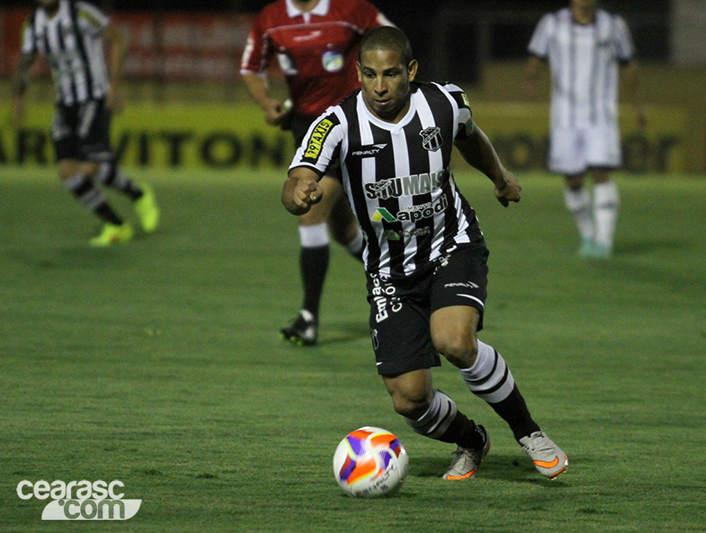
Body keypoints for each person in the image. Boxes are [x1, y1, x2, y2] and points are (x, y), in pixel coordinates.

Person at [283, 26, 568, 480]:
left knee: (454, 341)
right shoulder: (336, 124)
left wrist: (499, 176)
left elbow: (471, 137)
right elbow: (297, 175)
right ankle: (472, 441)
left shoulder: (444, 102)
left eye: (391, 74)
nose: (380, 87)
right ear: (357, 73)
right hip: (389, 271)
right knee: (409, 399)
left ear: (410, 71)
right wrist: (299, 193)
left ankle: (529, 431)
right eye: (370, 75)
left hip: (450, 244)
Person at [241, 0, 393, 346]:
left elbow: (392, 43)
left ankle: (308, 317)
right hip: (306, 127)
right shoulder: (272, 18)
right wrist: (267, 104)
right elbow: (250, 68)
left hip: (349, 124)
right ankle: (403, 279)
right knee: (344, 230)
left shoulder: (352, 10)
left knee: (310, 212)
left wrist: (377, 96)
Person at [11, 0, 160, 247]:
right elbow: (25, 62)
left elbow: (118, 39)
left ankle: (138, 194)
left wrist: (114, 87)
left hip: (94, 97)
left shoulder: (80, 12)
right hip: (64, 103)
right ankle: (116, 225)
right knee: (67, 172)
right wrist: (18, 100)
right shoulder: (32, 24)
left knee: (90, 166)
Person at [526, 0, 645, 259]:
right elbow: (535, 59)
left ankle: (604, 241)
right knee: (573, 180)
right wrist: (531, 84)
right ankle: (588, 235)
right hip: (565, 118)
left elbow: (629, 66)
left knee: (601, 172)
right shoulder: (551, 24)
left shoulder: (614, 26)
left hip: (601, 116)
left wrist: (638, 106)